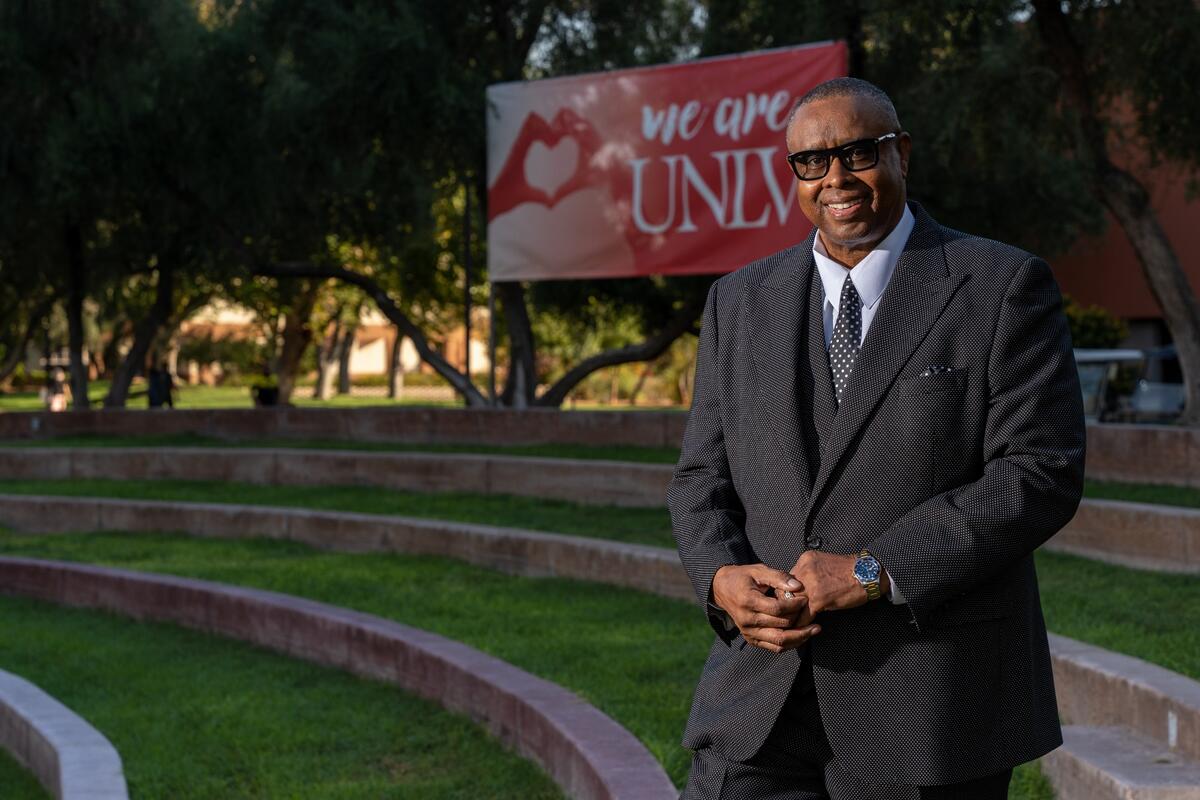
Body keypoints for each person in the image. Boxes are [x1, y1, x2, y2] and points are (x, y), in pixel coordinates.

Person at [667, 77, 1085, 799]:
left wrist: (871, 570)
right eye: (812, 161)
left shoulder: (1000, 285)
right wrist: (719, 580)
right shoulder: (736, 302)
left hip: (928, 705)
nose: (836, 178)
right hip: (761, 700)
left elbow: (1038, 474)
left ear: (902, 155)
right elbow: (701, 478)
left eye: (858, 152)